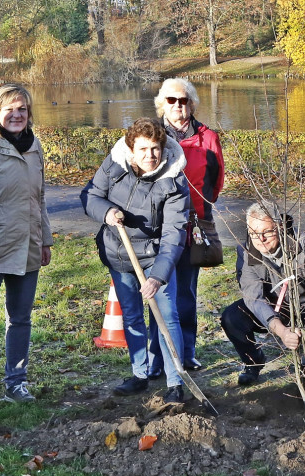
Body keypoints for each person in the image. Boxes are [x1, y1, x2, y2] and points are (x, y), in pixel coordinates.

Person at [81, 118, 190, 403]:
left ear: (164, 148)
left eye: (155, 149)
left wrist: (159, 276)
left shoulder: (175, 180)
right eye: (142, 149)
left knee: (167, 316)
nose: (149, 156)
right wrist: (106, 212)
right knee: (131, 316)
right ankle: (140, 374)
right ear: (130, 150)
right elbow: (91, 194)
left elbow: (174, 233)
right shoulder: (114, 164)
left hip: (156, 257)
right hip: (120, 253)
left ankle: (175, 381)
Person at [0, 84, 53, 403]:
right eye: (9, 109)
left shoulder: (35, 145)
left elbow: (39, 197)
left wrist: (45, 239)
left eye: (22, 109)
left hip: (27, 247)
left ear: (29, 113)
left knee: (20, 319)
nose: (16, 115)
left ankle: (15, 383)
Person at [220, 203, 305, 386]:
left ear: (279, 227)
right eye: (253, 233)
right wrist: (281, 330)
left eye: (267, 231)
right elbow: (253, 298)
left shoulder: (304, 244)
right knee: (232, 317)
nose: (261, 239)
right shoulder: (245, 251)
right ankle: (253, 362)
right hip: (271, 309)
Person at [155, 78, 224, 373]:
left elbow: (216, 181)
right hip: (157, 228)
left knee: (186, 293)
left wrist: (199, 211)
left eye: (183, 101)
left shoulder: (208, 137)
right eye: (171, 100)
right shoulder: (151, 134)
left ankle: (187, 352)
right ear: (162, 104)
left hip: (191, 227)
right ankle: (158, 358)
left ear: (192, 104)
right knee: (157, 292)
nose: (178, 106)